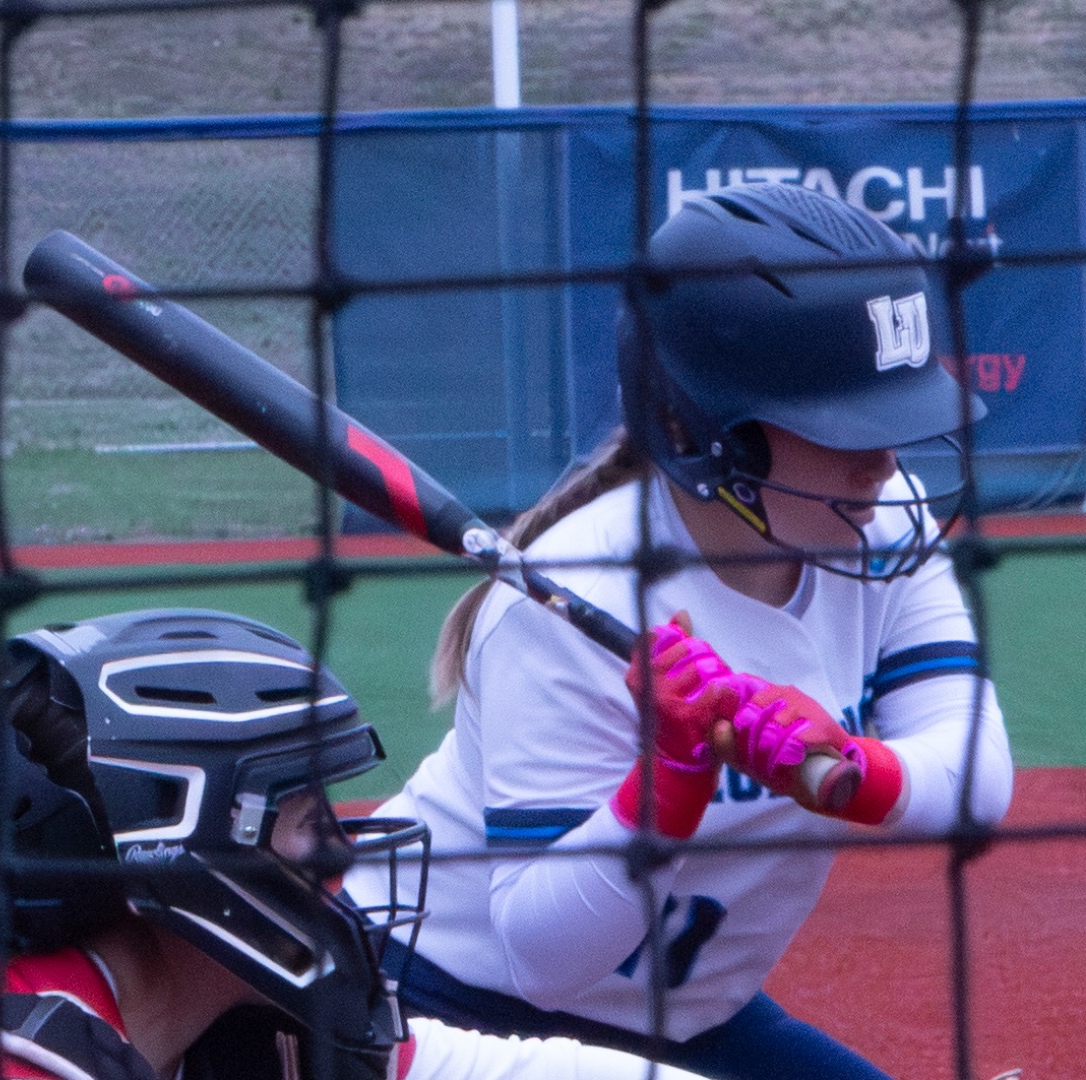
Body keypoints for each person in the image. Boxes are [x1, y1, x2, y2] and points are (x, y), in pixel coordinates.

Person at [340, 180, 1015, 1080]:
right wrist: (672, 778)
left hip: (689, 1021)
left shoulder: (882, 519)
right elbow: (544, 959)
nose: (883, 460)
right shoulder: (573, 599)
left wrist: (851, 772)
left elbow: (973, 774)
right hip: (447, 1003)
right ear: (702, 432)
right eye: (845, 424)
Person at [0, 607, 714, 1080]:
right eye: (307, 821)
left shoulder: (225, 1030)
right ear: (184, 855)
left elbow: (499, 1071)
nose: (342, 857)